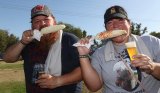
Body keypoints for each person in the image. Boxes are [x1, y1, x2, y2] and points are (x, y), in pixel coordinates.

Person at [77, 5, 160, 93]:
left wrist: (153, 67)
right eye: (110, 22)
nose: (115, 26)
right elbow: (94, 87)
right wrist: (83, 55)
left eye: (120, 20)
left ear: (129, 23)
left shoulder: (150, 41)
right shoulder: (99, 53)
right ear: (106, 29)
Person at [3, 5, 82, 93]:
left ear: (54, 21)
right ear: (32, 26)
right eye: (37, 21)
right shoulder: (29, 42)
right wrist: (22, 42)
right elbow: (7, 58)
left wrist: (58, 81)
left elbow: (84, 70)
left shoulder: (69, 40)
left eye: (46, 19)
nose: (42, 24)